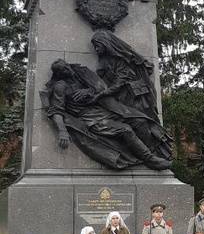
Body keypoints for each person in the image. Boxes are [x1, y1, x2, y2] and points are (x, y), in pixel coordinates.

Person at [43, 59, 171, 171]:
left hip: (104, 110)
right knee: (125, 130)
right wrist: (62, 131)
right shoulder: (60, 87)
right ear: (59, 74)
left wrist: (88, 91)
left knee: (140, 121)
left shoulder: (81, 74)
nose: (68, 69)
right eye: (64, 69)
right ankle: (149, 159)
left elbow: (101, 87)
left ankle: (150, 152)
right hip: (90, 118)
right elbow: (56, 110)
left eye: (67, 65)